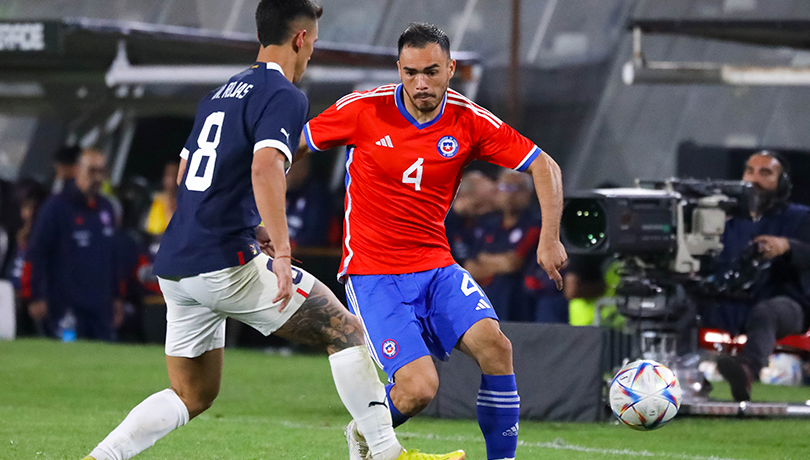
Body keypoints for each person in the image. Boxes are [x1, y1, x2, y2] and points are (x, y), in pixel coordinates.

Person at [82, 3, 461, 460]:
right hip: (225, 263)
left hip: (178, 264)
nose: (311, 54)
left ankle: (102, 456)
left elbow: (187, 174)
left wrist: (252, 223)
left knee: (192, 394)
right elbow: (266, 168)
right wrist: (281, 251)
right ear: (300, 39)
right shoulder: (284, 94)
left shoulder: (220, 94)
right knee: (344, 330)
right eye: (314, 44)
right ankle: (386, 453)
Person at [301, 22, 566, 460]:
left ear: (451, 69)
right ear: (398, 69)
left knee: (497, 348)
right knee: (418, 390)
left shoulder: (468, 120)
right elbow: (289, 149)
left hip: (435, 266)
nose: (421, 83)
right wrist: (258, 206)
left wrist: (550, 239)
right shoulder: (362, 110)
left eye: (432, 71)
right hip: (373, 273)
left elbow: (545, 166)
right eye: (410, 73)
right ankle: (367, 432)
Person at [714, 150, 810, 402]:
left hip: (788, 303)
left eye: (765, 172)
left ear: (783, 183)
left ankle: (747, 371)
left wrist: (787, 246)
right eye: (749, 171)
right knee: (680, 299)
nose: (754, 178)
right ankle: (674, 372)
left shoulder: (801, 217)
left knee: (766, 312)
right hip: (731, 298)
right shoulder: (723, 219)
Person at [22, 149, 125, 341]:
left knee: (104, 363)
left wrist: (118, 297)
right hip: (65, 306)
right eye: (91, 171)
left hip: (100, 308)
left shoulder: (107, 209)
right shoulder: (56, 207)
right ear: (77, 170)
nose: (97, 177)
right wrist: (34, 296)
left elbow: (113, 258)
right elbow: (35, 253)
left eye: (101, 171)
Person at [464, 170, 543, 322]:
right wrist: (500, 262)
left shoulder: (535, 223)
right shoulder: (487, 224)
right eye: (504, 188)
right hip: (488, 302)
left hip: (520, 305)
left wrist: (485, 260)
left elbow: (513, 263)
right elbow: (469, 267)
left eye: (514, 189)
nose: (509, 194)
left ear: (528, 193)